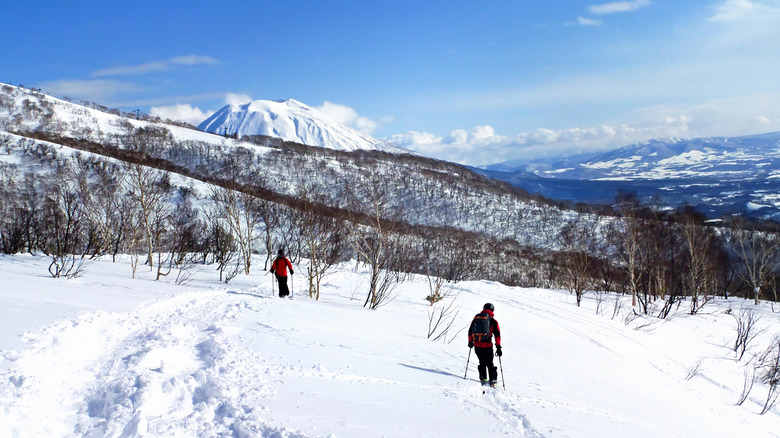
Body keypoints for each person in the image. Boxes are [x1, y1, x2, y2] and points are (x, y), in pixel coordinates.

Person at [468, 302, 502, 388]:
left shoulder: (476, 318)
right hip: (487, 346)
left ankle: (483, 378)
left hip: (477, 346)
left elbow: (470, 331)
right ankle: (493, 381)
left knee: (482, 362)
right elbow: (497, 335)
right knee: (490, 363)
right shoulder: (493, 321)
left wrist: (470, 342)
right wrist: (498, 347)